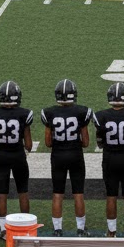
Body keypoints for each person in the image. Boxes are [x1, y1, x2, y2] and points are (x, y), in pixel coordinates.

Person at [41, 79, 92, 236]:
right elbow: (86, 142)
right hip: (76, 154)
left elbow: (48, 142)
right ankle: (81, 229)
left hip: (58, 155)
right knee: (78, 193)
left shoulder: (49, 113)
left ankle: (57, 229)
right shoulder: (82, 112)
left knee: (58, 193)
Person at [93, 82, 124, 237]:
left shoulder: (101, 116)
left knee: (111, 195)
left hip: (109, 158)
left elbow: (99, 142)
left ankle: (111, 231)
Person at [0, 80, 33, 241]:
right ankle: (25, 227)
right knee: (23, 191)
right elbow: (29, 145)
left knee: (2, 192)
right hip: (18, 155)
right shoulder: (24, 114)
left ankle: (3, 230)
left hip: (1, 156)